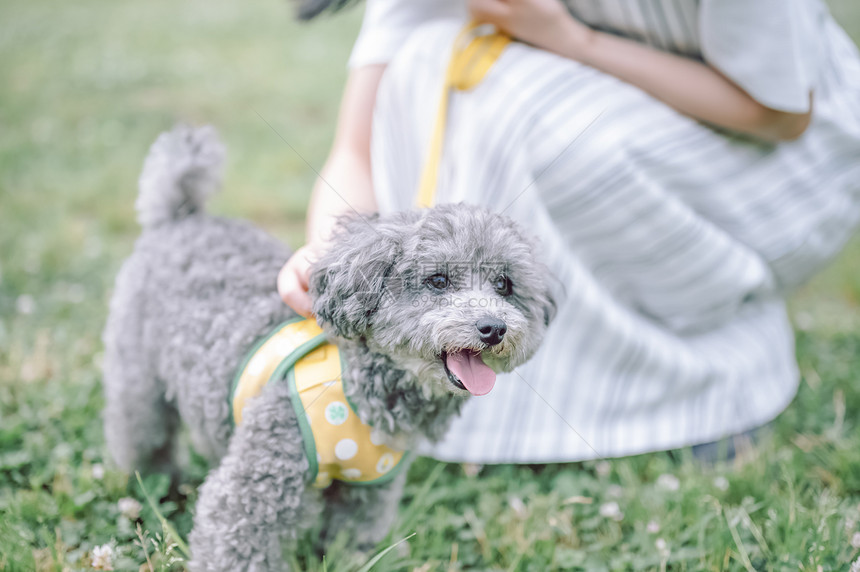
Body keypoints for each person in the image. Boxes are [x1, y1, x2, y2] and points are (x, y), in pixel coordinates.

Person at [279, 0, 860, 463]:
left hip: (775, 161)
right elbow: (355, 146)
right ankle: (497, 415)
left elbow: (783, 112)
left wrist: (569, 38)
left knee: (524, 108)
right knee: (433, 55)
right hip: (595, 125)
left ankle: (682, 395)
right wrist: (328, 254)